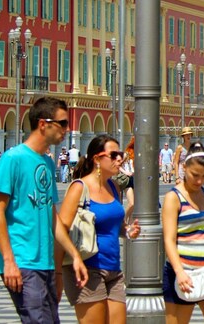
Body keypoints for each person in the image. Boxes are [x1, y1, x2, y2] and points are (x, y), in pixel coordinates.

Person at [0, 96, 88, 323]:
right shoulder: (13, 159)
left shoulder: (47, 162)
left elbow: (51, 216)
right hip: (22, 259)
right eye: (62, 123)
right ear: (43, 124)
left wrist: (74, 256)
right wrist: (9, 261)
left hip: (44, 260)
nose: (67, 129)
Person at [57, 134, 141, 322]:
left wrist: (127, 231)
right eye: (113, 155)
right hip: (87, 268)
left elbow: (115, 225)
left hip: (114, 269)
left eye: (120, 154)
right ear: (96, 159)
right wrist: (57, 273)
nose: (120, 158)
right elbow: (60, 229)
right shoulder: (79, 188)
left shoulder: (113, 186)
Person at [162, 143, 204, 323]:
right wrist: (179, 271)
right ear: (185, 168)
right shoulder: (173, 198)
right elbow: (168, 239)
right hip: (181, 272)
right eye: (195, 175)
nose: (199, 181)